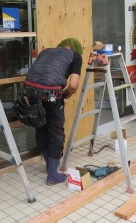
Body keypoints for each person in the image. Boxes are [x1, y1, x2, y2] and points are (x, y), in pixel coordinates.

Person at [24, 38, 83, 185]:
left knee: (40, 125)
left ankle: (49, 164)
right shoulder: (75, 56)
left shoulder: (46, 52)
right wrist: (67, 94)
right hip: (50, 94)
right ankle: (52, 174)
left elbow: (38, 74)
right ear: (76, 49)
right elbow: (74, 85)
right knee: (56, 131)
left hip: (29, 91)